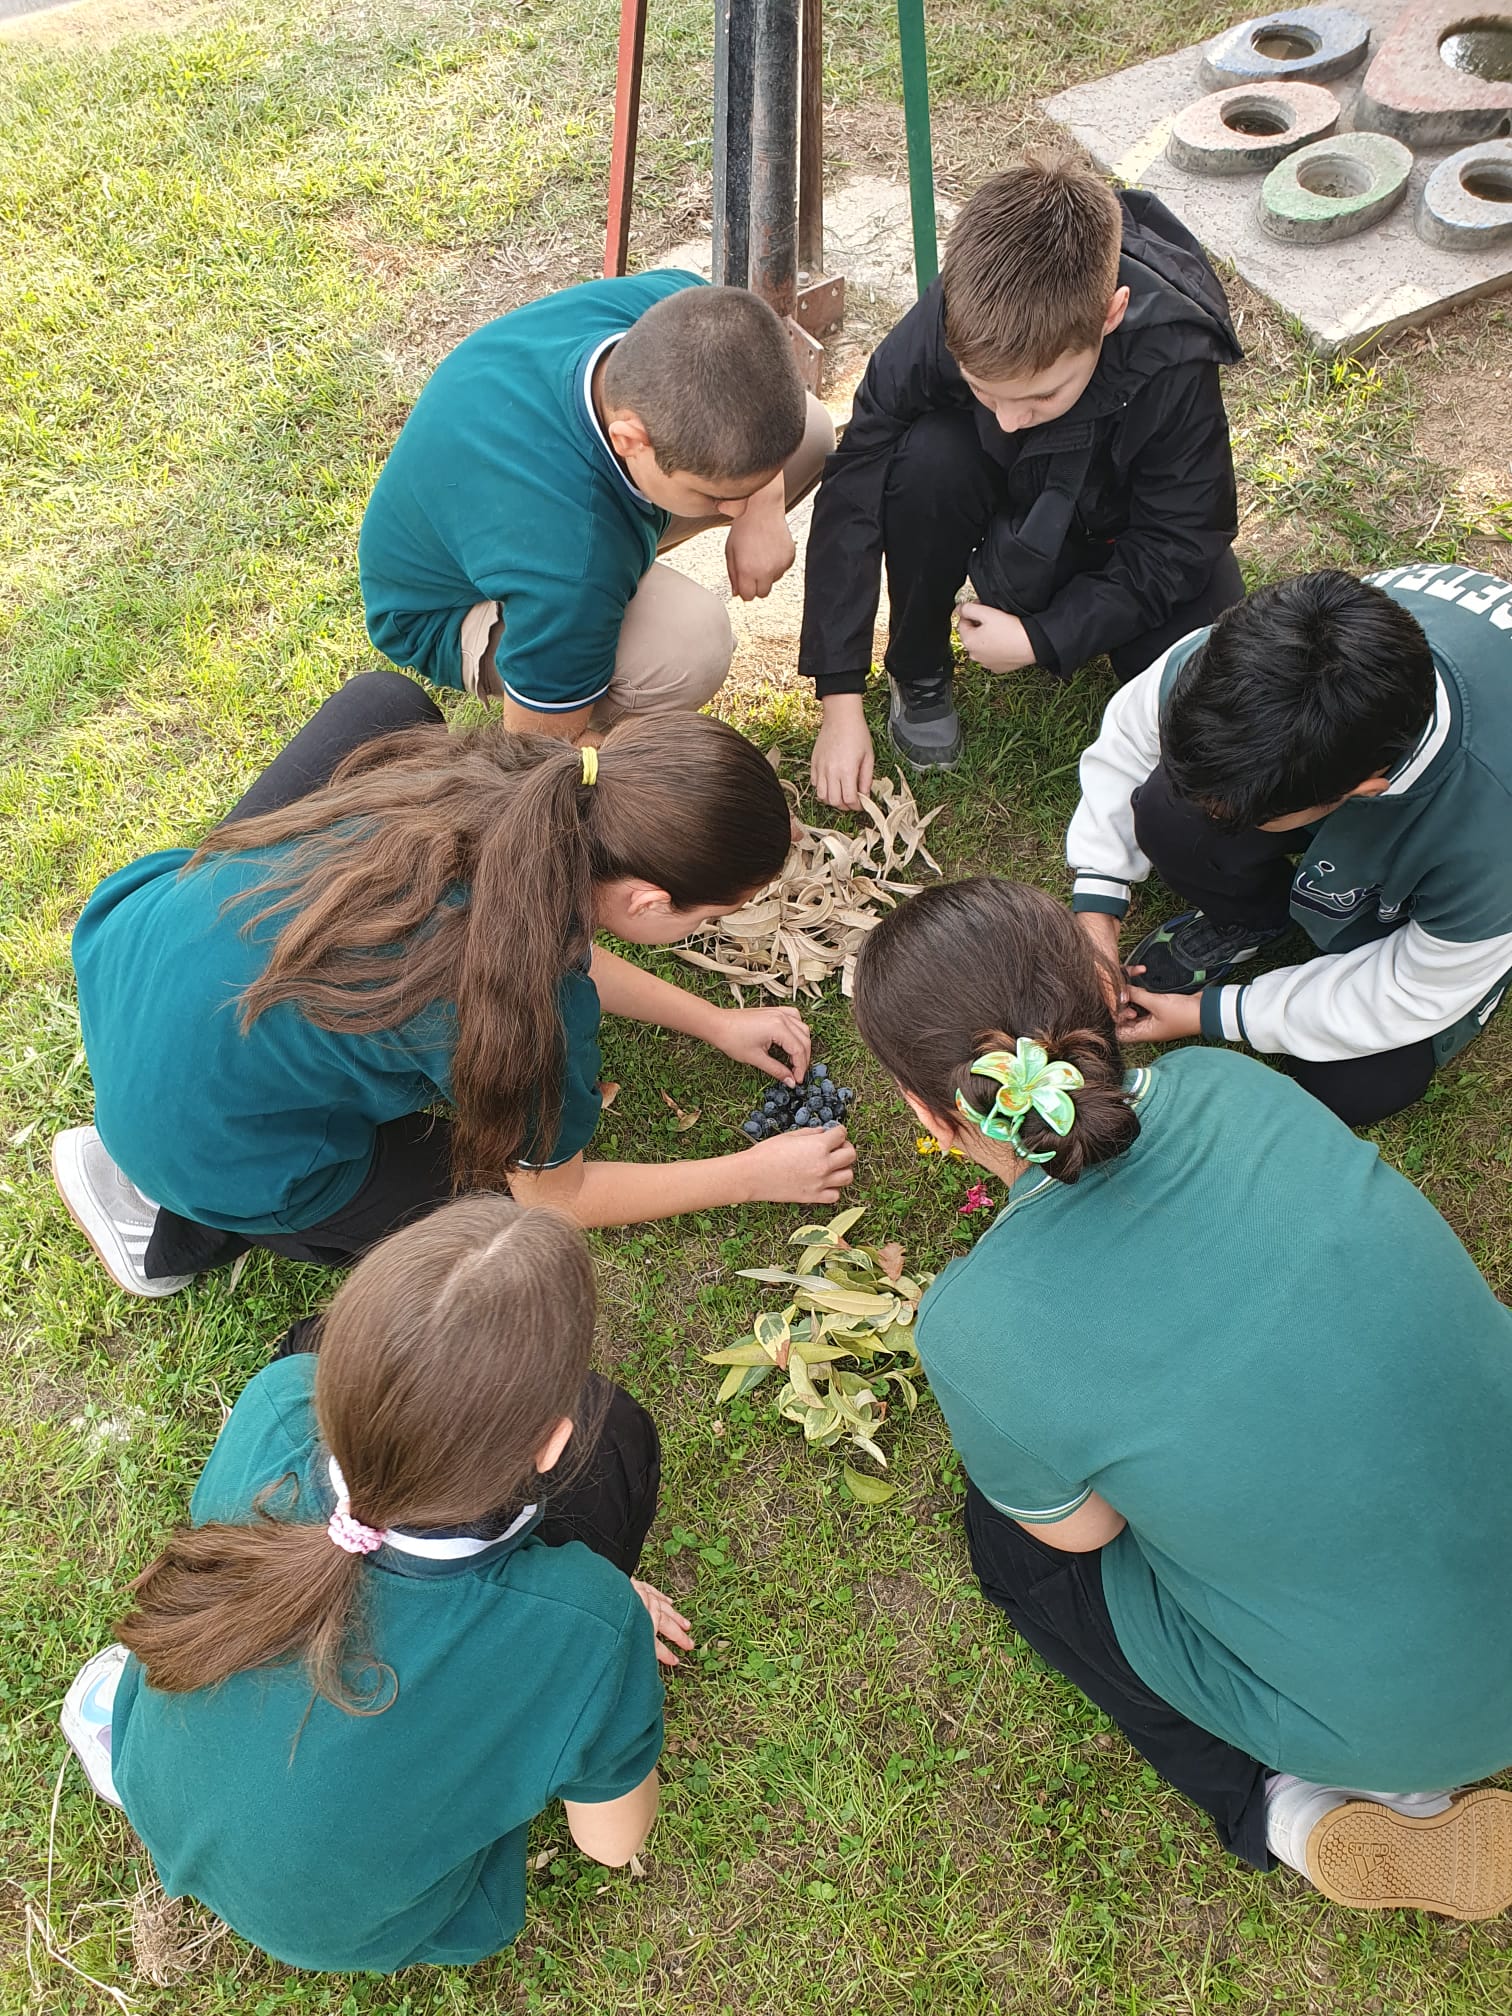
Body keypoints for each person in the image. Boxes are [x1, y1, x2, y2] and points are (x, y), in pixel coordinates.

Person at [851, 875, 1512, 1917]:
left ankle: (1286, 1803)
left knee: (1014, 1543)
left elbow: (1087, 1534)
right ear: (1098, 1001)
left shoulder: (972, 1326)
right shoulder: (1231, 1084)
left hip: (1403, 1722)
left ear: (930, 1114)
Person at [53, 671, 855, 1299]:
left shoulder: (500, 782)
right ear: (648, 900)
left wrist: (715, 1021)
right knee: (492, 1220)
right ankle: (166, 1224)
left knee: (383, 703)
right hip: (201, 1145)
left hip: (137, 957)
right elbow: (556, 1199)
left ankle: (173, 1090)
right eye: (715, 914)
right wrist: (754, 1174)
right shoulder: (529, 1006)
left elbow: (544, 937)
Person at [60, 1198, 690, 1973]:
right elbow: (610, 1843)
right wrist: (606, 1638)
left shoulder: (276, 1403)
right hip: (344, 1932)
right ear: (553, 1444)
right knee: (619, 1447)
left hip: (154, 1783)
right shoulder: (588, 1628)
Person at [800, 153, 1242, 807]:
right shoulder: (959, 311)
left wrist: (1045, 637)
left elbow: (1180, 539)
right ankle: (918, 665)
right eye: (985, 391)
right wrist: (839, 695)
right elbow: (857, 477)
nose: (1007, 419)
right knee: (926, 459)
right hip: (1011, 501)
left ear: (1111, 314)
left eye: (1039, 396)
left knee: (1210, 700)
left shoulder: (1174, 357)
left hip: (1118, 535)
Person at [1067, 563, 1512, 1126]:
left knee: (1358, 1084)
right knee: (1165, 809)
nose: (1210, 817)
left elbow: (1411, 990)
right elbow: (1130, 740)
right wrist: (1096, 919)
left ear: (1362, 792)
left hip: (1484, 841)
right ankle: (1252, 918)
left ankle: (1469, 947)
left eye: (1237, 817)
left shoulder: (1490, 839)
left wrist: (1212, 1013)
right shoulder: (1239, 662)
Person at [358, 273, 834, 737]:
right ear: (629, 440)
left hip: (504, 508)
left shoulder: (681, 311)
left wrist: (764, 506)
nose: (734, 508)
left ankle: (611, 594)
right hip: (442, 605)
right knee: (689, 645)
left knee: (811, 431)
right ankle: (580, 672)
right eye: (717, 497)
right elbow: (536, 745)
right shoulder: (572, 561)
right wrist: (662, 777)